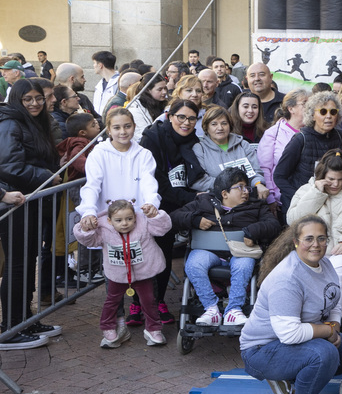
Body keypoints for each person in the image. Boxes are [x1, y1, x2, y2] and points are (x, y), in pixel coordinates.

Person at [240, 216, 342, 394]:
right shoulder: (287, 278)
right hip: (261, 349)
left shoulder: (324, 263)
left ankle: (286, 377)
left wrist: (334, 324)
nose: (316, 244)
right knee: (324, 355)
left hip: (293, 340)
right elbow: (289, 334)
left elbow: (333, 299)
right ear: (296, 242)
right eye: (309, 239)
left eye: (321, 238)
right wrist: (328, 331)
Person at [0, 79, 64, 348]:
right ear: (17, 99)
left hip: (32, 201)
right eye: (28, 99)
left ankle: (26, 319)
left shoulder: (34, 122)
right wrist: (47, 177)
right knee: (17, 265)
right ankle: (11, 328)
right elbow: (9, 166)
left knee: (27, 263)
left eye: (39, 98)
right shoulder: (10, 122)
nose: (35, 103)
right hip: (14, 202)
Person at [175, 168, 281, 327]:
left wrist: (252, 231)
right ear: (224, 193)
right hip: (208, 252)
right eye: (240, 187)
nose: (245, 192)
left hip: (240, 253)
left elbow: (273, 225)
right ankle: (211, 309)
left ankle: (234, 309)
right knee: (193, 264)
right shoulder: (204, 202)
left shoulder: (256, 206)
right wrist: (195, 219)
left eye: (247, 187)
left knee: (245, 265)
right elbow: (175, 216)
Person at [136, 99, 206, 326]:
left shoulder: (194, 141)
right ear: (169, 116)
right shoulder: (153, 137)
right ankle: (138, 303)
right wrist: (189, 198)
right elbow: (155, 179)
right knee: (146, 254)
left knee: (164, 254)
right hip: (154, 204)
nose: (186, 123)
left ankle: (159, 300)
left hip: (178, 206)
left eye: (191, 118)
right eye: (181, 117)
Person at [74, 200, 173, 347]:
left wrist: (155, 215)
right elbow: (89, 241)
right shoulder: (103, 229)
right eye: (118, 220)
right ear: (109, 220)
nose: (125, 223)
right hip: (117, 274)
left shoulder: (143, 223)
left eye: (129, 219)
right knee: (112, 301)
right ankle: (109, 327)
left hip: (143, 272)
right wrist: (86, 229)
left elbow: (163, 228)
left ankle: (153, 329)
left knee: (149, 300)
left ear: (135, 217)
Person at [287, 149, 342, 309]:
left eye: (340, 179)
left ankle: (334, 317)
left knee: (338, 266)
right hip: (311, 251)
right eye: (330, 179)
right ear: (321, 176)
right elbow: (293, 220)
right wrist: (316, 193)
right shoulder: (306, 191)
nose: (335, 184)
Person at [273, 91, 342, 213]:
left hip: (330, 205)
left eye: (333, 112)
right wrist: (300, 197)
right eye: (323, 112)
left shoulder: (341, 137)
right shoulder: (300, 139)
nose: (328, 116)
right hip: (301, 206)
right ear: (312, 115)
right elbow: (279, 176)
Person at [192, 106, 268, 199]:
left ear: (230, 125)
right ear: (206, 127)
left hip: (247, 196)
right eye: (214, 124)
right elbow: (200, 181)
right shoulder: (199, 148)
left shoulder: (243, 144)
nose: (220, 128)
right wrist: (230, 187)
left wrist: (258, 183)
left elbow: (255, 172)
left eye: (224, 123)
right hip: (217, 199)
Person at [259, 89, 308, 203]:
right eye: (304, 103)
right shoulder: (273, 133)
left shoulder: (314, 131)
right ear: (291, 108)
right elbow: (265, 168)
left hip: (308, 196)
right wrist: (271, 198)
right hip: (281, 197)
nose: (310, 106)